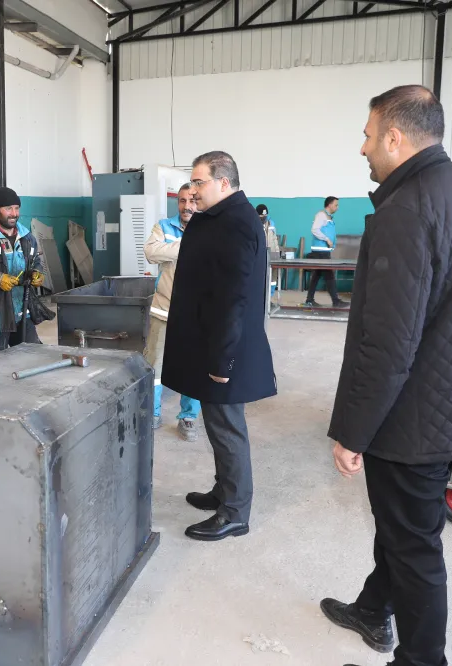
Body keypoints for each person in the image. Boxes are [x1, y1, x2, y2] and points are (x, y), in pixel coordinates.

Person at [320, 85, 452, 666]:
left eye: (369, 136)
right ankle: (373, 608)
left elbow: (387, 344)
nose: (363, 148)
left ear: (395, 138)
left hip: (416, 418)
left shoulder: (405, 211)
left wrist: (353, 432)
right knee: (405, 525)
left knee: (414, 547)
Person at [161, 151, 276, 542]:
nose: (192, 190)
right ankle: (223, 490)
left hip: (227, 350)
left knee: (227, 429)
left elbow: (234, 299)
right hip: (211, 343)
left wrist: (223, 360)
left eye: (199, 182)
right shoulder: (218, 217)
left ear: (223, 182)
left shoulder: (237, 223)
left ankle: (235, 512)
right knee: (216, 423)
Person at [143, 183, 202, 442]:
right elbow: (150, 252)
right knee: (155, 366)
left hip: (196, 313)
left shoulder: (209, 228)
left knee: (194, 368)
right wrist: (187, 245)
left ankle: (188, 417)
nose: (187, 206)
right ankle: (152, 413)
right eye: (182, 201)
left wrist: (171, 250)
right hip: (164, 310)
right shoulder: (163, 226)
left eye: (192, 201)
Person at [0, 186, 48, 349]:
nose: (14, 213)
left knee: (32, 354)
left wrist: (37, 272)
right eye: (8, 208)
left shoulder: (28, 238)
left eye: (17, 208)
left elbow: (35, 262)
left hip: (23, 311)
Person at [304, 196, 348, 308]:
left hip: (324, 250)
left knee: (316, 275)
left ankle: (309, 300)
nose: (337, 207)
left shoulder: (328, 217)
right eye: (336, 205)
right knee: (329, 275)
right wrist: (327, 239)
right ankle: (336, 301)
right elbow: (314, 229)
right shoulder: (321, 215)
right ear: (329, 204)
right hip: (320, 251)